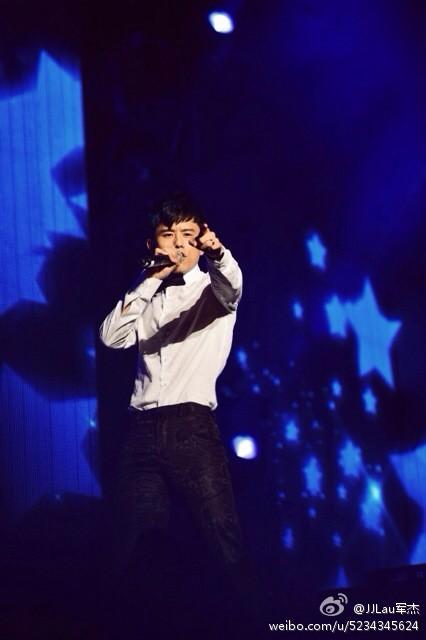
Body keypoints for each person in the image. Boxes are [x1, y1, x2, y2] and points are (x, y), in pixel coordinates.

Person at [99, 192, 255, 635]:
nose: (181, 244)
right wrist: (149, 279)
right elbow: (111, 337)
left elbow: (233, 282)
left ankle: (253, 626)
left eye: (190, 234)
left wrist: (217, 251)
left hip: (191, 428)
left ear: (202, 238)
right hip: (141, 433)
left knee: (222, 538)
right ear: (154, 244)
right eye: (170, 235)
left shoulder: (214, 291)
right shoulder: (147, 296)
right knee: (131, 548)